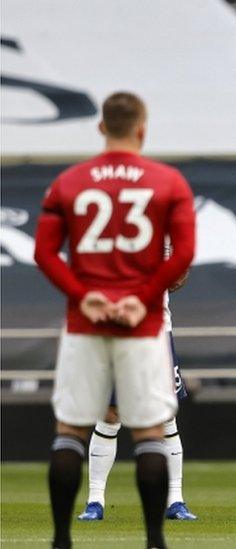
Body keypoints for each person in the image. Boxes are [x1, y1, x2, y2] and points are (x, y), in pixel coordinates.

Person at [34, 91, 196, 549]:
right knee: (149, 428)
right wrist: (141, 297)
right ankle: (153, 540)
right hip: (143, 326)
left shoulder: (70, 182)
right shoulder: (167, 183)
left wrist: (84, 297)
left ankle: (61, 539)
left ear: (100, 128)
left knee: (70, 431)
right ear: (142, 130)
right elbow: (182, 254)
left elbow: (45, 252)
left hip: (86, 326)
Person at [77, 275, 198, 522]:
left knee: (165, 414)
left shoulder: (165, 234)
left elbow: (179, 267)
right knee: (110, 413)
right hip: (113, 328)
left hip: (157, 328)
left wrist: (179, 272)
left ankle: (175, 500)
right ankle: (95, 501)